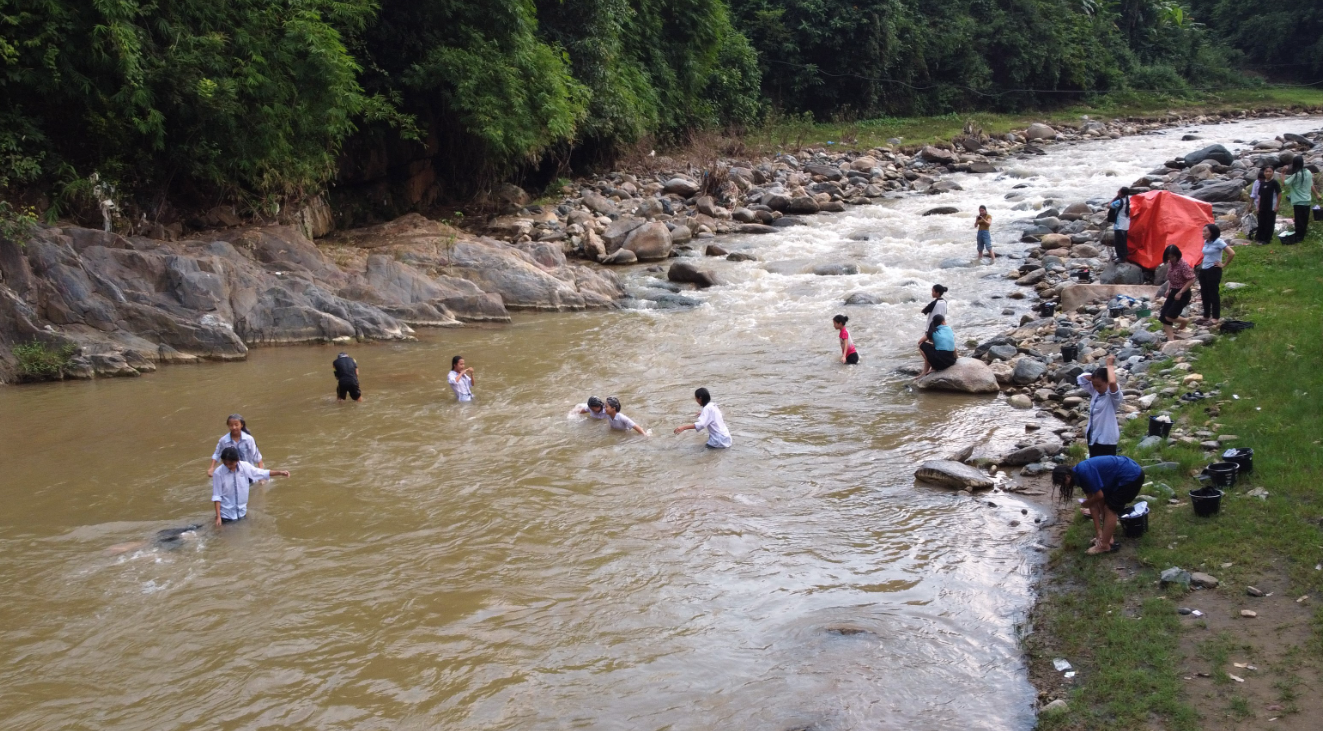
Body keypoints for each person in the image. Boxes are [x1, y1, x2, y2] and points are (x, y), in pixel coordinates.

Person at [1053, 456, 1144, 554]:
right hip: (1123, 474)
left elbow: (1099, 496)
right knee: (1105, 505)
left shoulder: (1084, 472)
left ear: (1067, 476)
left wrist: (1086, 503)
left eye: (1063, 483)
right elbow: (1095, 504)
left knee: (1110, 509)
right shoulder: (1078, 476)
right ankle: (1107, 538)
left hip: (1131, 476)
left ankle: (1104, 546)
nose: (1064, 486)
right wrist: (1098, 531)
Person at [211, 446, 290, 527]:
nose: (228, 466)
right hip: (226, 515)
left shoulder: (244, 467)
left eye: (231, 464)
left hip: (242, 513)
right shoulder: (218, 473)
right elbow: (217, 496)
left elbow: (261, 473)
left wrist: (280, 473)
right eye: (225, 464)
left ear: (237, 460)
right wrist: (218, 517)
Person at [1078, 354, 1121, 457]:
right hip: (1093, 435)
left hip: (1106, 439)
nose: (1096, 388)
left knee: (1106, 467)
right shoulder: (1096, 392)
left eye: (1099, 385)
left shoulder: (1113, 396)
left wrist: (1109, 365)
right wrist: (1095, 377)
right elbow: (1081, 379)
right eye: (1094, 385)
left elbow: (1112, 381)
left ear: (1106, 383)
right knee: (1094, 464)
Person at [1195, 223, 1235, 326]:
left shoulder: (1218, 242)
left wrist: (1223, 264)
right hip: (1204, 269)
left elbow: (1231, 253)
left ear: (1211, 232)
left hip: (1214, 270)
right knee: (1204, 293)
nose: (1203, 233)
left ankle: (1216, 317)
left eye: (1205, 231)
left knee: (1213, 293)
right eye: (1203, 231)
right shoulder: (1206, 242)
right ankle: (1206, 315)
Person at [1158, 245, 1194, 341]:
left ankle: (1184, 321)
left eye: (1172, 257)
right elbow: (1171, 279)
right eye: (1169, 257)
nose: (1171, 259)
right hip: (1173, 290)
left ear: (1177, 255)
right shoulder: (1171, 264)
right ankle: (1171, 339)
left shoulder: (1183, 265)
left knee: (1169, 316)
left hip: (1183, 292)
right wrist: (1168, 289)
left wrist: (1181, 292)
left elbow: (1191, 279)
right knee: (1163, 317)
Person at [1278, 156, 1316, 244]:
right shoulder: (1308, 172)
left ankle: (1298, 238)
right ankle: (1302, 235)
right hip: (1307, 200)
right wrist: (1317, 194)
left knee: (1299, 221)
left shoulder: (1296, 175)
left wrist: (1283, 173)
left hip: (1298, 201)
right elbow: (1311, 184)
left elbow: (1284, 183)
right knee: (1304, 220)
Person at [1250, 165, 1281, 243]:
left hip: (1271, 206)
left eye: (1270, 171)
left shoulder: (1274, 182)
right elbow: (1259, 195)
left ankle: (1267, 239)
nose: (1268, 173)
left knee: (1269, 223)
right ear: (1264, 173)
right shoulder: (1263, 183)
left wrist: (1277, 205)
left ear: (1273, 173)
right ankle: (1260, 238)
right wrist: (1258, 206)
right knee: (1262, 222)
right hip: (1262, 206)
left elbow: (1279, 194)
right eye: (1266, 171)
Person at [1107, 188, 1131, 262]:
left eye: (1119, 191)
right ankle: (1124, 255)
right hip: (1126, 224)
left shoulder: (1119, 202)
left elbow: (1109, 205)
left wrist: (1116, 196)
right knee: (1123, 241)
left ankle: (1120, 257)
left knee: (1118, 242)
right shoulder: (1127, 200)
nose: (1118, 192)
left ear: (1121, 193)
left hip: (1119, 224)